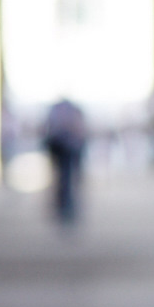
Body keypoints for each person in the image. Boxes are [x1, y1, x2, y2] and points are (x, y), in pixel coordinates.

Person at [42, 97, 88, 226]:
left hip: (64, 147)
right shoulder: (73, 110)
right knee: (66, 178)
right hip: (66, 148)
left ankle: (64, 206)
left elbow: (48, 128)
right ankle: (65, 207)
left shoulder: (56, 110)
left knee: (63, 178)